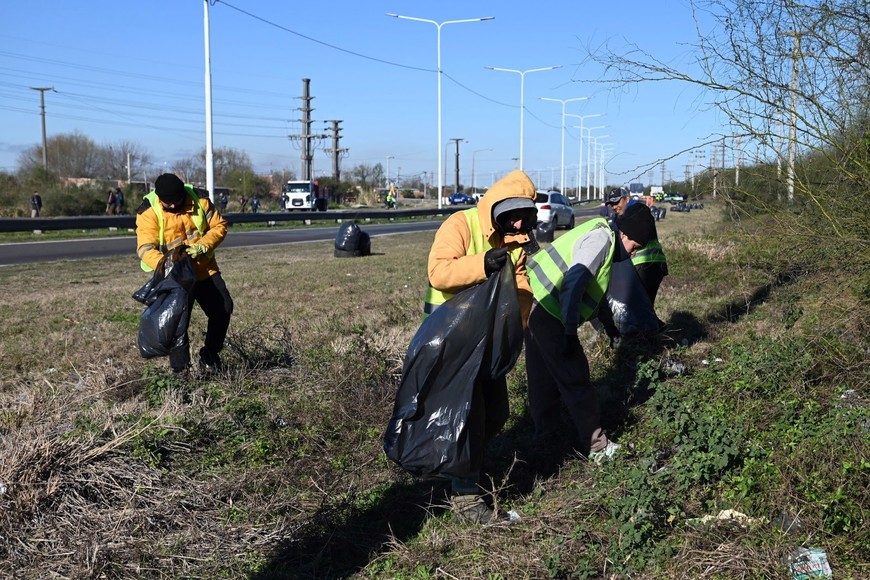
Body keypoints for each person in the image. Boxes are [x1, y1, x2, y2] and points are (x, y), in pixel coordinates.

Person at [426, 169, 539, 523]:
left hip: (487, 341)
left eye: (525, 216)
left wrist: (516, 332)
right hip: (451, 338)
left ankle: (459, 466)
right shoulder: (461, 225)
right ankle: (466, 499)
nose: (518, 223)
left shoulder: (516, 239)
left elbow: (521, 287)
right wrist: (483, 264)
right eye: (513, 215)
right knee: (469, 416)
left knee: (496, 413)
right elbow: (438, 272)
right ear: (497, 207)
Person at [524, 203, 658, 463]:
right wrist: (568, 330)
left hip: (535, 303)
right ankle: (597, 446)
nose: (633, 254)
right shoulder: (601, 240)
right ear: (624, 234)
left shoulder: (603, 235)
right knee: (575, 378)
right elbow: (574, 282)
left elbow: (594, 292)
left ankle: (547, 438)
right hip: (550, 311)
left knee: (542, 378)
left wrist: (609, 326)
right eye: (635, 247)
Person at [135, 173, 233, 375]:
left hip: (204, 269)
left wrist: (204, 245)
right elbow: (145, 248)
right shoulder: (149, 211)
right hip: (174, 277)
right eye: (167, 203)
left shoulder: (200, 200)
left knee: (223, 308)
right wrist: (167, 265)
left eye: (176, 201)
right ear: (159, 198)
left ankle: (210, 356)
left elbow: (219, 225)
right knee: (177, 324)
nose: (172, 205)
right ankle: (181, 371)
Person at [605, 188, 668, 307]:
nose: (614, 207)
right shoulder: (622, 216)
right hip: (648, 263)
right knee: (644, 307)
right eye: (611, 204)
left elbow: (634, 240)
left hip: (646, 263)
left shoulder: (637, 211)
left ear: (627, 199)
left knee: (637, 307)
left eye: (617, 202)